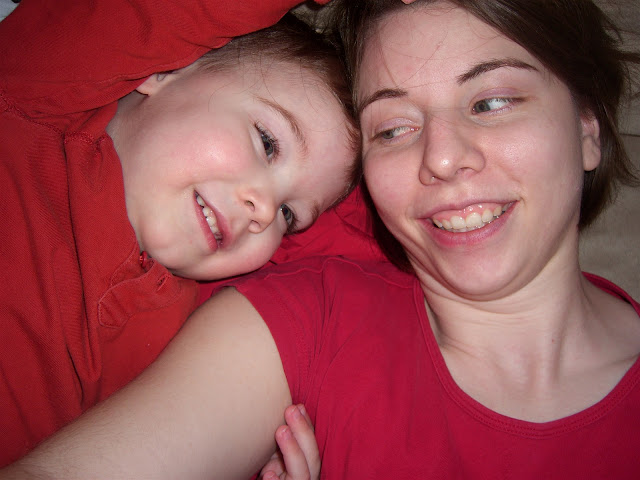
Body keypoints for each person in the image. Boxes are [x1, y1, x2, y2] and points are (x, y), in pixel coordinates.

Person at [2, 0, 640, 478]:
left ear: (589, 128)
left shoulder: (196, 297)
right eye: (394, 129)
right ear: (165, 66)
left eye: (492, 102)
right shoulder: (38, 102)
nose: (442, 160)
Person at [0, 0, 362, 472]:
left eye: (288, 214)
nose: (264, 210)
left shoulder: (180, 342)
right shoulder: (39, 98)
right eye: (267, 142)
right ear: (166, 69)